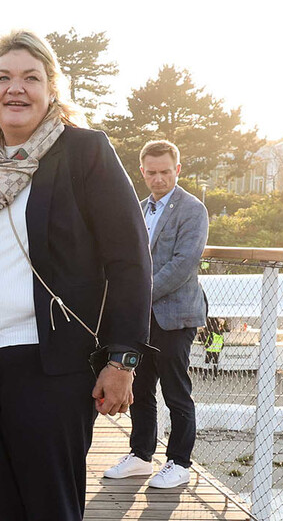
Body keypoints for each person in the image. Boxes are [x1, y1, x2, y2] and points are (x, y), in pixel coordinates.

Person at [0, 30, 152, 521]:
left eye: (31, 78)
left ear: (52, 88)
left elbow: (130, 261)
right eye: (3, 77)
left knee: (50, 504)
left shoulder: (85, 151)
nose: (16, 89)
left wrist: (122, 361)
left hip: (50, 364)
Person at [104, 139, 209, 490]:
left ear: (177, 170)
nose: (159, 179)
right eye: (152, 172)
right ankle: (140, 455)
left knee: (177, 392)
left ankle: (180, 462)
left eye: (165, 172)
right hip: (141, 316)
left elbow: (184, 263)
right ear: (142, 171)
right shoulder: (137, 206)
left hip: (175, 315)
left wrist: (138, 294)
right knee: (142, 386)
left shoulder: (193, 209)